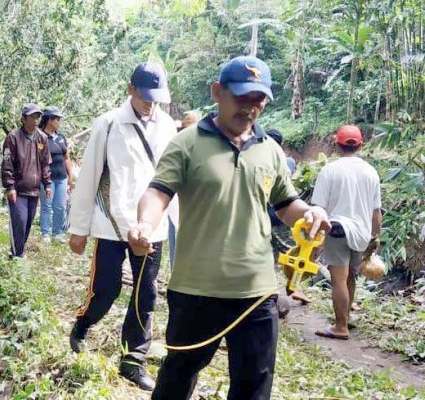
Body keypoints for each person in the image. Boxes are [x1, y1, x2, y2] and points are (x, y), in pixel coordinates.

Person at [128, 56, 330, 399]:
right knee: (178, 376)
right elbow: (157, 192)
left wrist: (309, 213)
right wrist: (144, 225)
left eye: (259, 101)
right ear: (217, 92)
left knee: (254, 385)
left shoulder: (271, 151)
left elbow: (285, 205)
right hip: (196, 289)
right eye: (242, 98)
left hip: (257, 293)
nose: (251, 109)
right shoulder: (187, 143)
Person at [68, 61, 177, 390]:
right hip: (111, 225)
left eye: (156, 97)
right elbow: (89, 176)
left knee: (146, 293)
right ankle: (83, 324)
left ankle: (133, 359)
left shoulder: (168, 126)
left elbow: (172, 177)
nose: (150, 102)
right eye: (145, 95)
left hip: (151, 228)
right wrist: (79, 228)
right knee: (107, 289)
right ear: (130, 88)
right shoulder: (109, 124)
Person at [312, 125, 382, 340]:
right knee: (350, 276)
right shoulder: (371, 172)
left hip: (338, 230)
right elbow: (376, 212)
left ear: (336, 144)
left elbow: (318, 209)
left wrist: (314, 240)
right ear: (360, 145)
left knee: (339, 280)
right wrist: (376, 238)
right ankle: (346, 318)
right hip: (362, 234)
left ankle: (340, 326)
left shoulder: (329, 170)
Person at [266, 128, 311, 305]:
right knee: (289, 250)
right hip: (283, 212)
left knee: (267, 251)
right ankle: (295, 287)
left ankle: (268, 290)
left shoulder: (260, 157)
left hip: (264, 214)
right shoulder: (289, 162)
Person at [1, 103, 52, 259]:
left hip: (34, 189)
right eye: (32, 116)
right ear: (23, 119)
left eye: (38, 116)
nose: (36, 120)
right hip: (18, 188)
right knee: (19, 221)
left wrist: (48, 183)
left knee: (28, 223)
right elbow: (7, 162)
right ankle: (18, 255)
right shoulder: (13, 137)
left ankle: (15, 251)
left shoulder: (42, 138)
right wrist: (10, 186)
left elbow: (45, 163)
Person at [167, 110, 202, 269]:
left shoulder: (206, 148)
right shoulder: (176, 148)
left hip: (199, 206)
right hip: (176, 203)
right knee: (177, 246)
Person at [39, 106, 74, 243]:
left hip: (61, 178)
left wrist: (70, 177)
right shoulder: (41, 137)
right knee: (47, 206)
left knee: (60, 206)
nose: (59, 122)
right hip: (47, 179)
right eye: (57, 119)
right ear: (49, 120)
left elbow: (67, 158)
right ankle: (45, 233)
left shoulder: (61, 137)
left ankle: (57, 233)